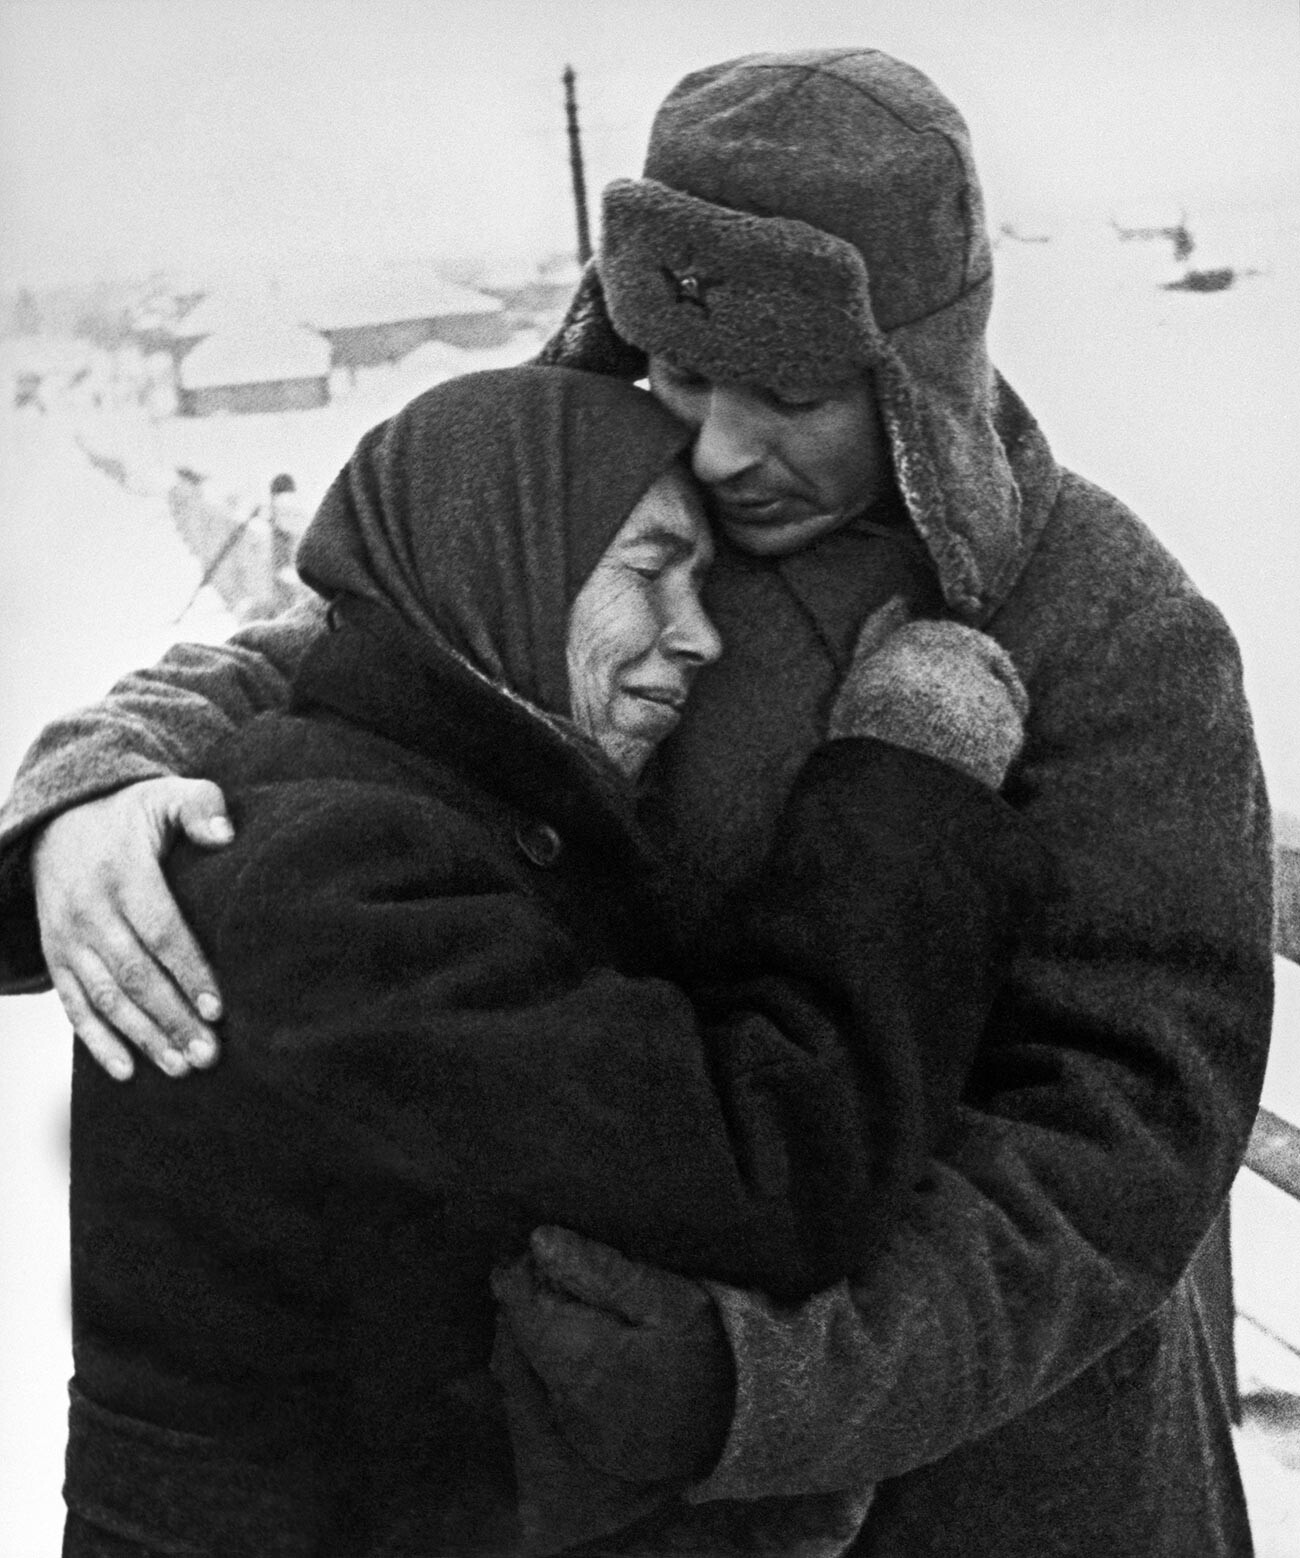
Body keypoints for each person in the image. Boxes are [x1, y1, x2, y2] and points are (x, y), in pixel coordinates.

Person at [0, 45, 1274, 1557]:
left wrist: (759, 1382)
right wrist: (100, 788)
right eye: (677, 366)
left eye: (793, 391)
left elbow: (1112, 1150)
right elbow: (346, 647)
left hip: (1004, 1492)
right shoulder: (595, 499)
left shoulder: (1113, 634)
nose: (722, 445)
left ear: (921, 371)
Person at [48, 364, 1046, 1557]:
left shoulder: (406, 803)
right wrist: (905, 775)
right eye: (647, 570)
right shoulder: (335, 884)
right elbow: (767, 1165)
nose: (702, 636)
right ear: (498, 564)